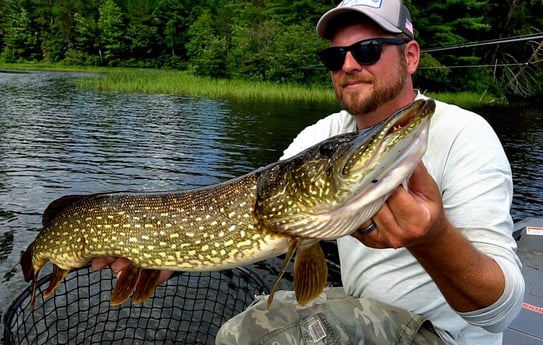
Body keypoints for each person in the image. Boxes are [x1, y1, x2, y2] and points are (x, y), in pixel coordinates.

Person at [93, 0, 525, 344]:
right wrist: (168, 254)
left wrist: (432, 240)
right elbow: (269, 210)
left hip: (439, 335)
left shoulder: (466, 134)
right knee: (262, 318)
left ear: (411, 56)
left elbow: (499, 311)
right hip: (362, 309)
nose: (349, 65)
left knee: (244, 337)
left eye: (368, 50)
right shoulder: (326, 136)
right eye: (335, 57)